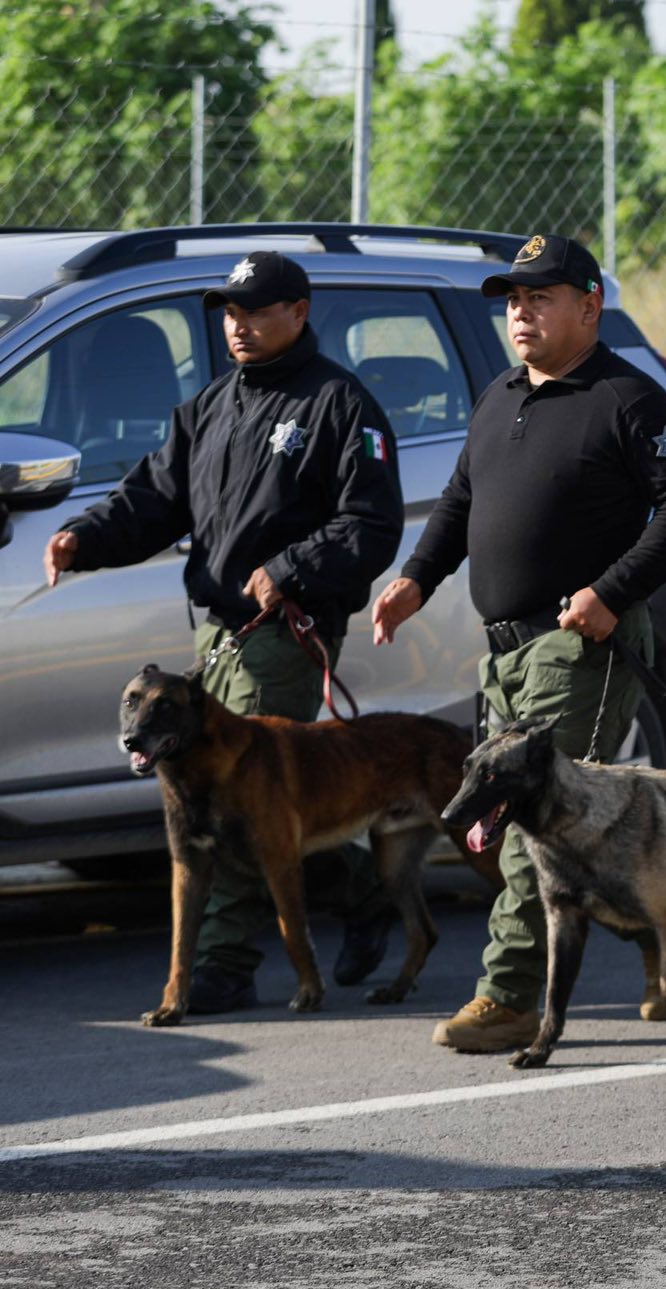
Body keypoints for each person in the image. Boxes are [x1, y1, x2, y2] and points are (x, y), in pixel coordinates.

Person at [370, 233, 666, 1053]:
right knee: (573, 830)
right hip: (506, 652)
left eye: (541, 297)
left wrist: (612, 592)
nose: (520, 313)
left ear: (589, 307)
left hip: (580, 646)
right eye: (513, 300)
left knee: (532, 820)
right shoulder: (499, 395)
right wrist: (416, 577)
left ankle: (510, 997)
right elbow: (459, 500)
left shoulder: (628, 398)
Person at [45, 251, 405, 1013]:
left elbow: (371, 524)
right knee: (260, 812)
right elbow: (153, 497)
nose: (238, 326)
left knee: (240, 806)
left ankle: (224, 963)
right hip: (218, 633)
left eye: (256, 311)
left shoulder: (339, 404)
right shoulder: (213, 405)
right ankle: (365, 891)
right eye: (231, 314)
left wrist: (294, 568)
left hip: (285, 630)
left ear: (299, 313)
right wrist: (85, 536)